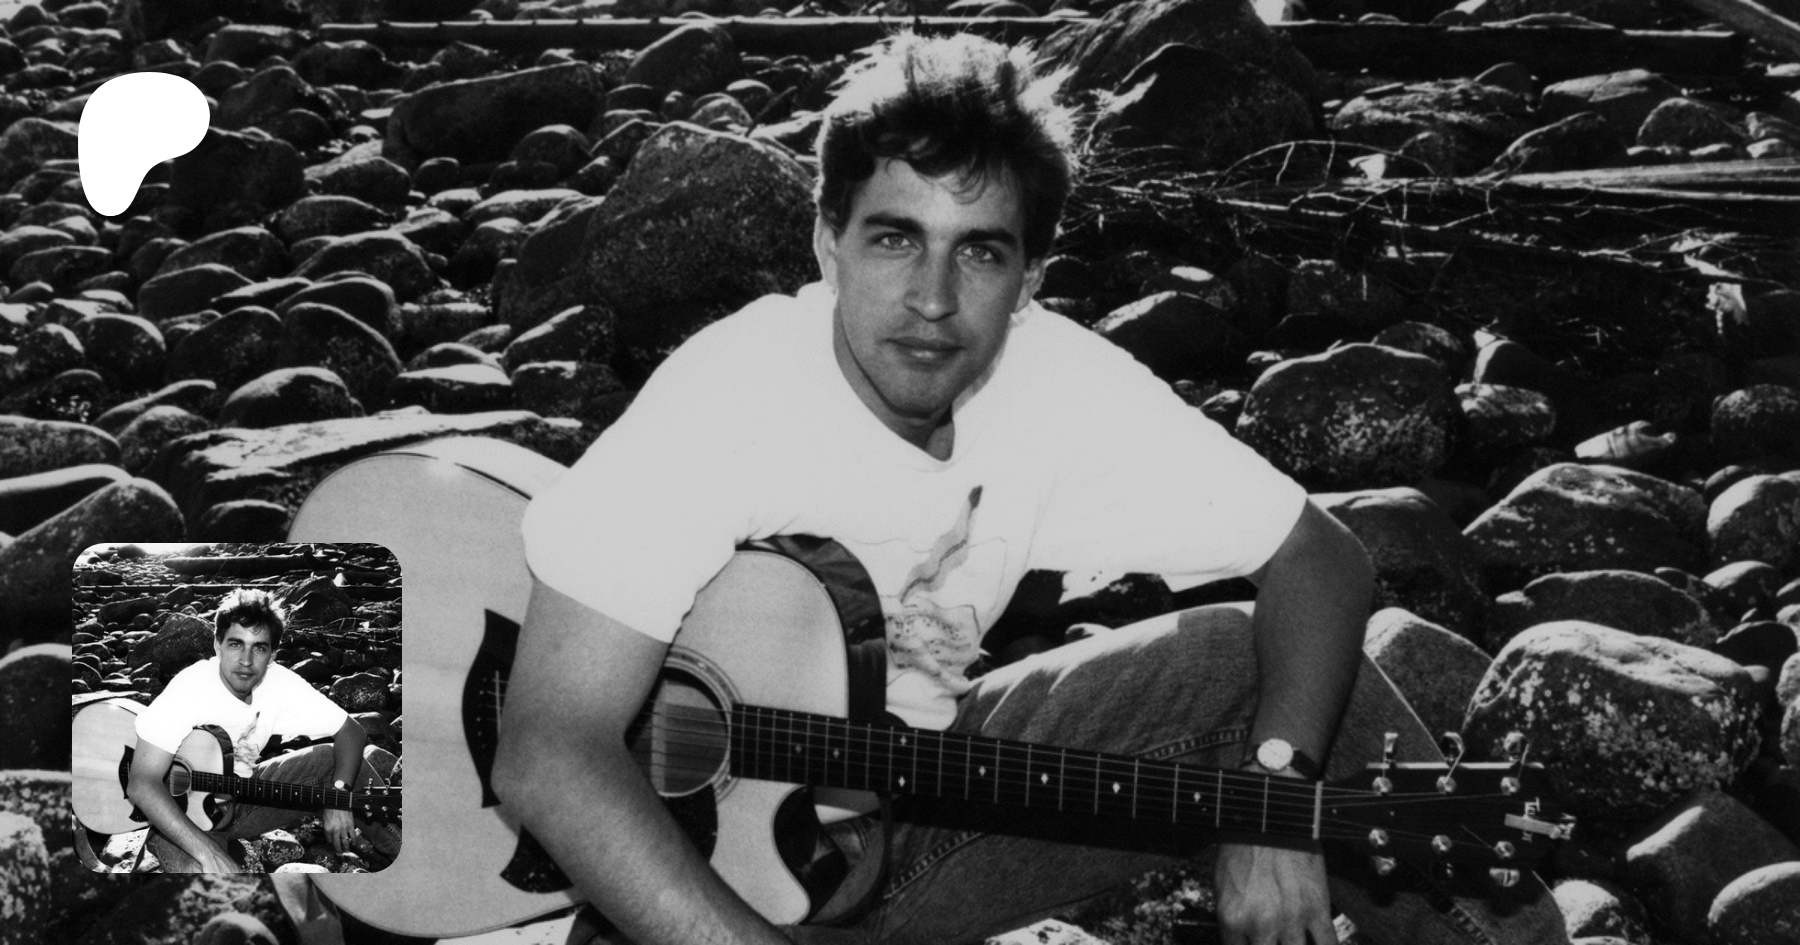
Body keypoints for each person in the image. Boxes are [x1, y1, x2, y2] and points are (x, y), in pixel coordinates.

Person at [496, 32, 1569, 945]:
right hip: (683, 868)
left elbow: (1319, 557)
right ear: (827, 244)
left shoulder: (1054, 381)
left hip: (912, 792)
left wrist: (1275, 800)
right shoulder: (730, 402)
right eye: (894, 238)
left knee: (1237, 662)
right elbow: (547, 753)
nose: (931, 297)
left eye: (980, 254)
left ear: (1030, 279)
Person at [127, 588, 399, 873]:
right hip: (178, 818)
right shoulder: (191, 688)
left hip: (244, 796)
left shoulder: (279, 683)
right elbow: (142, 783)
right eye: (236, 644)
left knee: (336, 761)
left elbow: (351, 731)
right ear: (217, 645)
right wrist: (210, 853)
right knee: (210, 880)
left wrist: (339, 798)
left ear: (272, 655)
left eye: (259, 648)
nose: (246, 660)